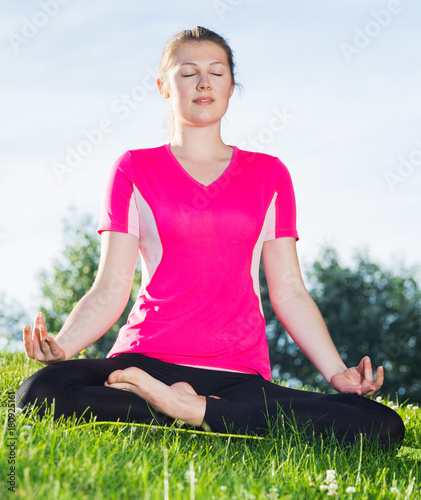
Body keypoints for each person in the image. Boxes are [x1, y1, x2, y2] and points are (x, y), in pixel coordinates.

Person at [16, 26, 404, 448]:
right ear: (164, 86)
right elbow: (110, 287)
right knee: (39, 392)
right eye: (188, 73)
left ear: (231, 86)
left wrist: (336, 373)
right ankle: (203, 411)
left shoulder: (269, 174)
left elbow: (290, 290)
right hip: (144, 362)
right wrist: (65, 345)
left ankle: (187, 409)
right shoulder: (134, 168)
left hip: (239, 376)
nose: (204, 82)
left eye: (217, 73)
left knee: (380, 423)